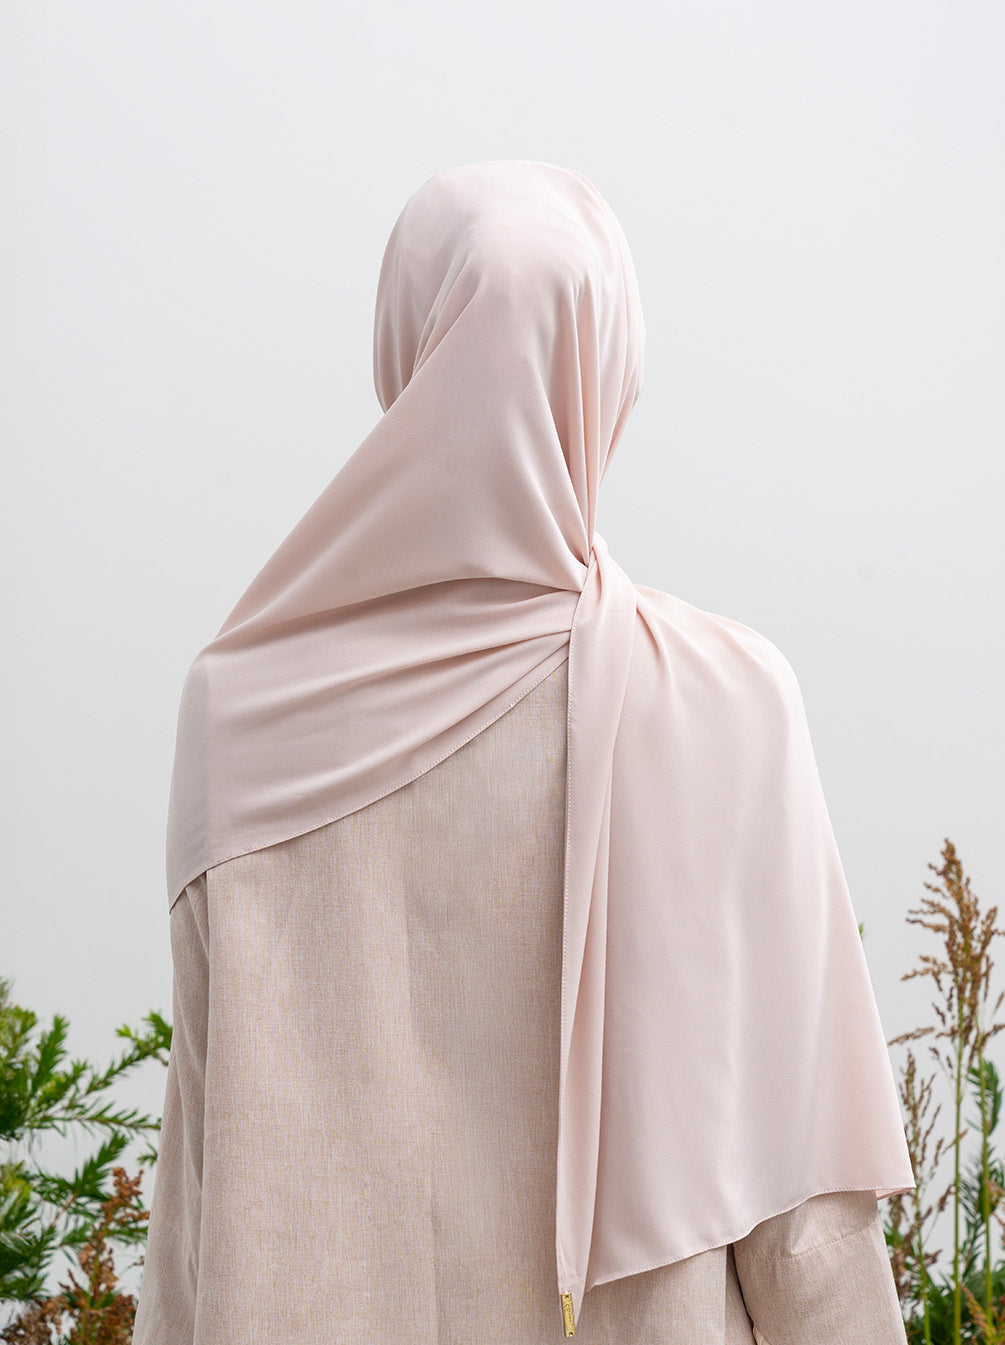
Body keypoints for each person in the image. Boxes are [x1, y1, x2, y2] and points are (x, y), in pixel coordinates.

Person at [133, 160, 915, 1344]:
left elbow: (200, 1183)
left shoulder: (239, 713)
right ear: (611, 368)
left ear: (406, 351)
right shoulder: (727, 702)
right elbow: (804, 1218)